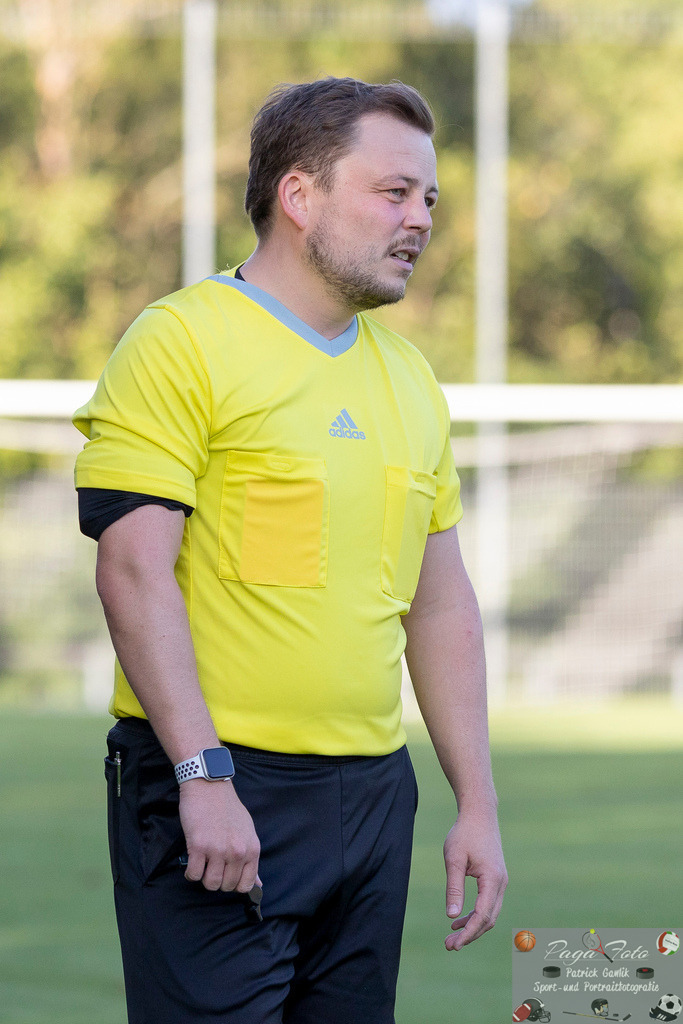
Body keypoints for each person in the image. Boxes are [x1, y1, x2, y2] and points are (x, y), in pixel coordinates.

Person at [73, 76, 507, 1024]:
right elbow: (133, 569)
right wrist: (202, 776)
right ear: (299, 197)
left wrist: (474, 802)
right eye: (393, 192)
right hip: (219, 785)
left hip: (372, 794)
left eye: (428, 197)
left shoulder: (410, 378)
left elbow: (439, 603)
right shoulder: (180, 340)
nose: (421, 218)